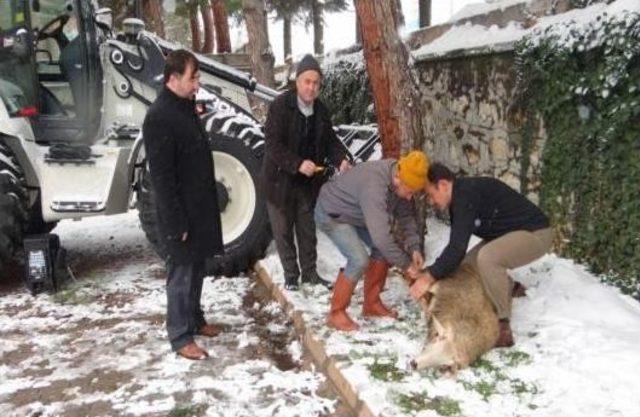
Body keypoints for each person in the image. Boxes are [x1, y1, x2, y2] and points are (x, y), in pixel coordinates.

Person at [410, 163, 552, 347]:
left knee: (488, 258)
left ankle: (502, 325)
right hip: (509, 235)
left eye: (431, 194)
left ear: (443, 185)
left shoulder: (464, 196)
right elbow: (457, 249)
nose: (431, 201)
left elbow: (456, 248)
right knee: (468, 265)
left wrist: (428, 277)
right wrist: (430, 271)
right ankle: (508, 287)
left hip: (536, 234)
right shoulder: (460, 196)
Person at [142, 50, 224, 360]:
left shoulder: (185, 107)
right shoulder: (159, 117)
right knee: (181, 276)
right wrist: (177, 224)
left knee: (197, 269)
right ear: (172, 79)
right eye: (193, 78)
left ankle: (195, 320)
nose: (197, 84)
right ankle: (179, 336)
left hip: (198, 209)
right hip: (180, 215)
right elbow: (162, 179)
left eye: (198, 77)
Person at [262, 54, 350, 291]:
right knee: (283, 231)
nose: (311, 88)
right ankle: (291, 276)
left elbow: (330, 140)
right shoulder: (280, 106)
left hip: (308, 184)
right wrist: (298, 163)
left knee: (307, 230)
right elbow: (272, 144)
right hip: (279, 181)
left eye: (316, 83)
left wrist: (341, 159)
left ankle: (310, 273)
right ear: (297, 81)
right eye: (307, 82)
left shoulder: (321, 110)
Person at [315, 151, 429, 331]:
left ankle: (371, 304)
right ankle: (336, 313)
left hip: (357, 214)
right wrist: (407, 266)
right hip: (333, 213)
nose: (409, 197)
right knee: (359, 259)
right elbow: (382, 237)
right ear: (398, 178)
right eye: (409, 192)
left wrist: (415, 248)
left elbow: (406, 216)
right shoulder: (375, 187)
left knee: (382, 251)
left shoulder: (401, 177)